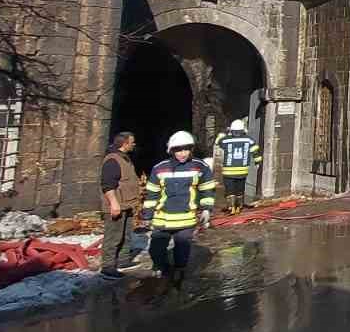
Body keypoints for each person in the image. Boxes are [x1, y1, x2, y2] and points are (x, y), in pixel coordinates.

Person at [141, 130, 216, 282]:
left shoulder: (200, 167)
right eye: (178, 150)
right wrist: (147, 215)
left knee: (182, 250)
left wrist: (207, 209)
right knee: (156, 249)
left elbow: (207, 189)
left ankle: (179, 274)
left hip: (186, 219)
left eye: (186, 149)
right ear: (171, 150)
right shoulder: (159, 168)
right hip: (162, 219)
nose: (183, 153)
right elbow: (152, 194)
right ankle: (160, 267)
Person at [99, 131, 140, 280]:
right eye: (132, 142)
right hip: (117, 204)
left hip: (127, 204)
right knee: (113, 236)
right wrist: (114, 203)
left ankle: (122, 260)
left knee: (126, 234)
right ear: (125, 143)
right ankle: (108, 267)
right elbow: (108, 185)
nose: (134, 144)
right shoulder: (112, 160)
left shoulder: (125, 159)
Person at [214, 119, 263, 214]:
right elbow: (255, 152)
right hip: (242, 171)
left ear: (231, 130)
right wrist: (257, 163)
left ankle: (231, 207)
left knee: (230, 191)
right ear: (243, 130)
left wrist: (221, 135)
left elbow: (217, 142)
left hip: (228, 171)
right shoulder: (249, 139)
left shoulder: (226, 140)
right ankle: (239, 207)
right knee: (240, 190)